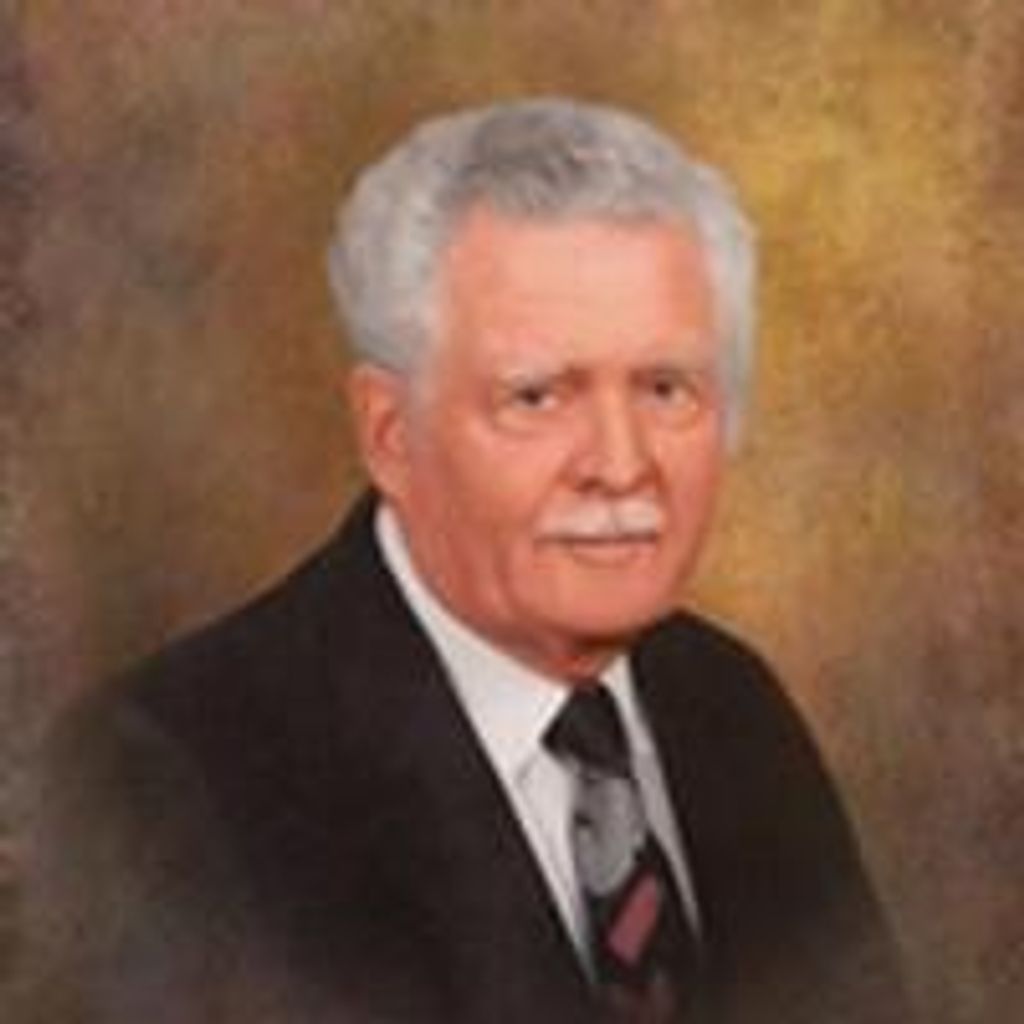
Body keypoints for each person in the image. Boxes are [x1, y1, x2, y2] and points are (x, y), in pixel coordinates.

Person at [29, 98, 910, 1024]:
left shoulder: (734, 709)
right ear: (390, 434)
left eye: (666, 388)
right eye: (538, 397)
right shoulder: (164, 786)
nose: (621, 465)